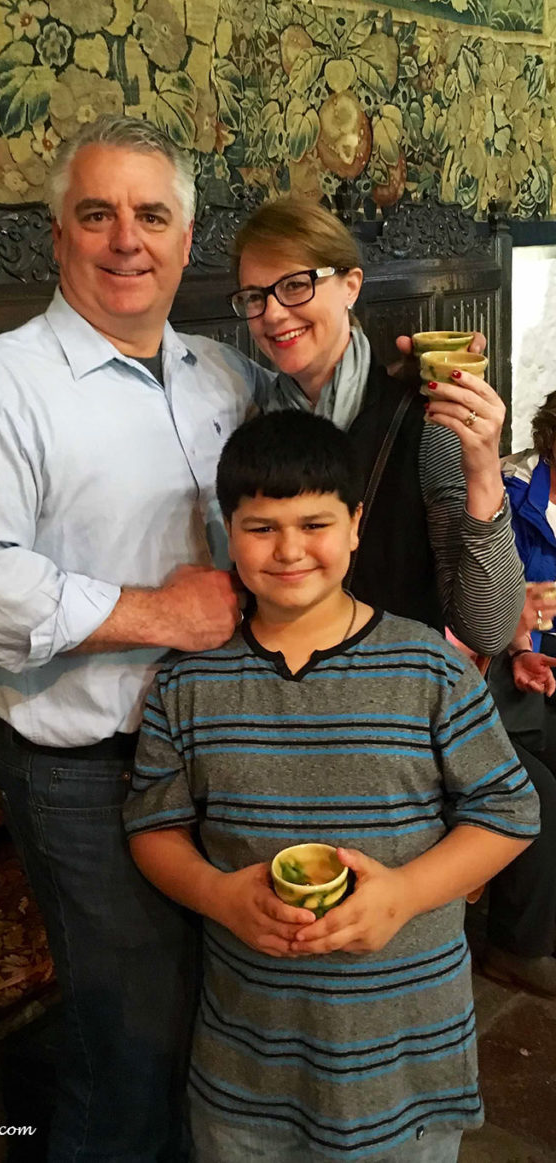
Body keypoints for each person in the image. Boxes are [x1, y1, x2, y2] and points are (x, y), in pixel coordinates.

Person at [0, 114, 274, 1162]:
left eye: (151, 215)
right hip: (88, 773)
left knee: (204, 1024)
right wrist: (157, 611)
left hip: (218, 753)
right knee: (130, 1057)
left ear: (186, 239)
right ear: (58, 235)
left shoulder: (223, 378)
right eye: (97, 213)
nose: (127, 240)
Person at [124, 409, 539, 1162]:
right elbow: (154, 826)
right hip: (249, 1067)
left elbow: (510, 810)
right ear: (227, 530)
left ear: (354, 524)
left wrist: (406, 893)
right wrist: (218, 894)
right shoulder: (186, 683)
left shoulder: (429, 668)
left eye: (314, 523)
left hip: (408, 1062)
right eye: (261, 526)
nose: (289, 550)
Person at [229, 196, 556, 994]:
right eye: (255, 296)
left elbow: (481, 616)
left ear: (351, 285)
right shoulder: (241, 412)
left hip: (412, 700)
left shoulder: (424, 415)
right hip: (303, 707)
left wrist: (482, 468)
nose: (275, 313)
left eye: (297, 285)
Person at [479, 390, 556, 991]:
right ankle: (517, 946)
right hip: (495, 668)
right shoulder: (507, 497)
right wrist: (521, 641)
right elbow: (499, 605)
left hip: (517, 660)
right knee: (537, 788)